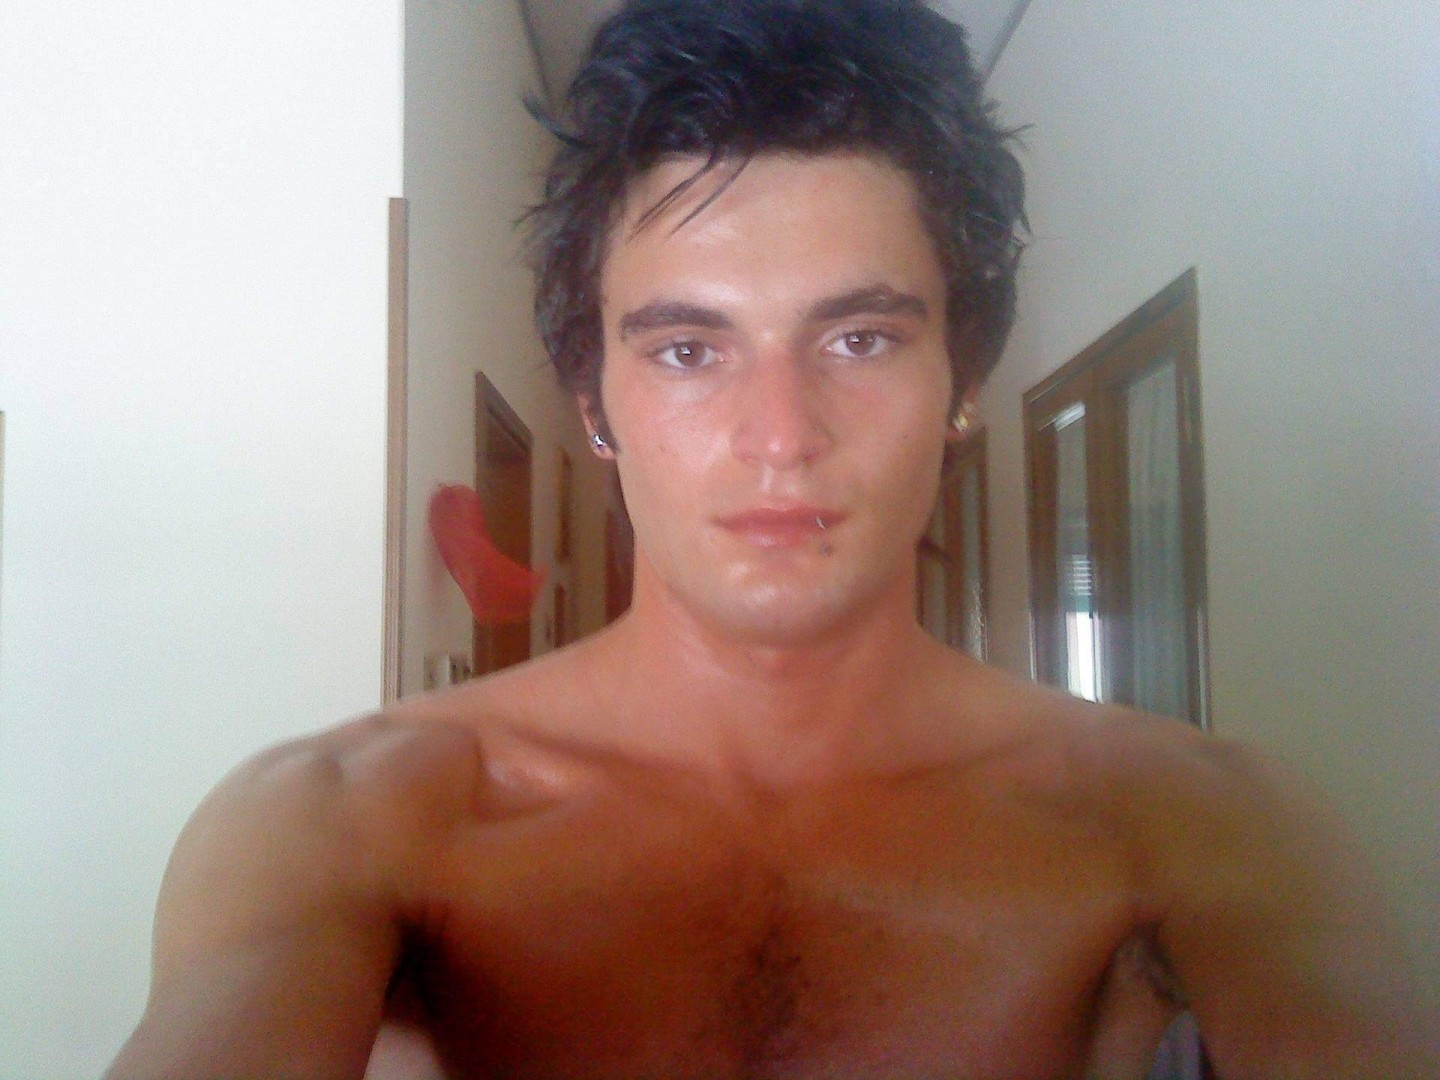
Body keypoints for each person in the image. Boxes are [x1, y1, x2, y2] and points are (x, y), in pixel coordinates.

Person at [106, 1, 1437, 1077]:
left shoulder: (1194, 826)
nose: (781, 434)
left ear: (962, 383)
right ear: (595, 405)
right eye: (689, 351)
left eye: (858, 338)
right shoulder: (346, 823)